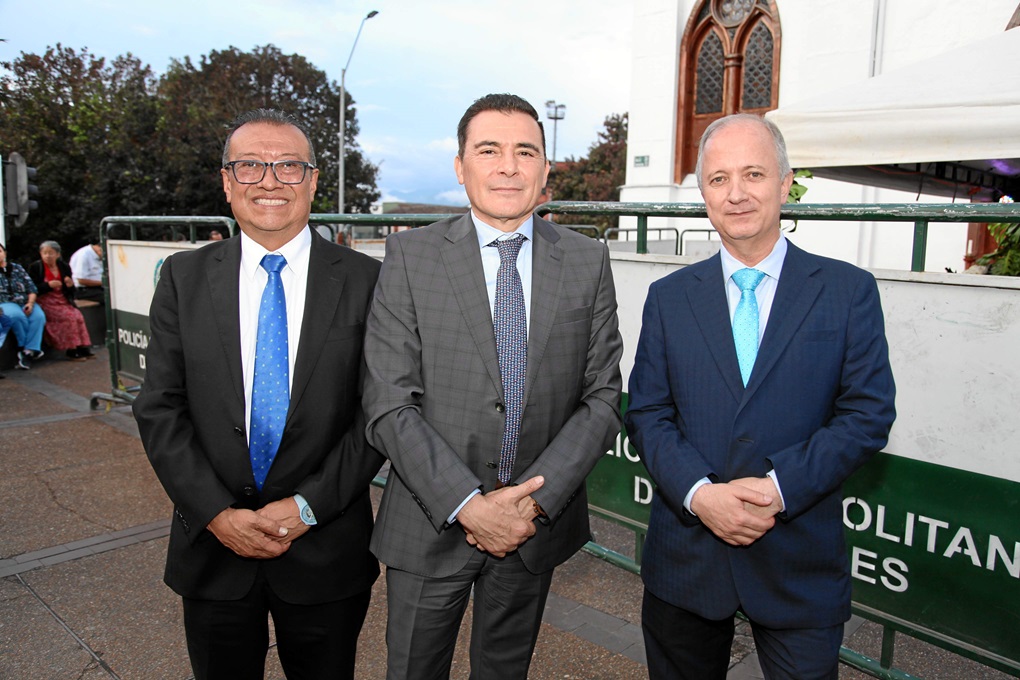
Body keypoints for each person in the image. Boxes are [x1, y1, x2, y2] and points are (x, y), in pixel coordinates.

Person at [625, 114, 897, 680]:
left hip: (799, 563)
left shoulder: (847, 292)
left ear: (784, 182)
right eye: (719, 179)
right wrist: (701, 495)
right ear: (703, 194)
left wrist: (779, 488)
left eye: (753, 173)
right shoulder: (669, 298)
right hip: (687, 560)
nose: (737, 193)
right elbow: (647, 412)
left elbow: (867, 414)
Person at [363, 93, 624, 679]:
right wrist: (469, 506)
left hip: (531, 528)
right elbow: (387, 401)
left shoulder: (586, 260)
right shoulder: (410, 255)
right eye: (489, 149)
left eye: (525, 151)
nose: (508, 165)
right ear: (461, 166)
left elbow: (603, 395)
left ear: (545, 170)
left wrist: (530, 502)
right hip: (430, 521)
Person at [132, 108, 384, 680]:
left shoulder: (369, 281)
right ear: (226, 181)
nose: (269, 181)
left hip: (326, 549)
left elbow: (376, 414)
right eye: (250, 166)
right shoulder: (182, 277)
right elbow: (159, 408)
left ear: (314, 180)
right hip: (212, 549)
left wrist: (305, 508)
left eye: (288, 166)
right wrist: (217, 514)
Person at [28, 240, 94, 361]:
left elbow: (71, 290)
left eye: (51, 253)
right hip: (45, 301)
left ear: (57, 254)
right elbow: (32, 288)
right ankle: (71, 349)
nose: (48, 256)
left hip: (62, 299)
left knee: (78, 316)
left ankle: (82, 346)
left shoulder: (63, 266)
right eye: (45, 253)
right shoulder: (36, 267)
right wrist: (48, 285)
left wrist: (69, 285)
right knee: (68, 317)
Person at [0, 242, 47, 370]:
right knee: (16, 316)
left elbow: (31, 288)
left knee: (38, 317)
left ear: (4, 253)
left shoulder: (17, 268)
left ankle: (28, 351)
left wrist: (30, 303)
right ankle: (26, 347)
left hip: (24, 300)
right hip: (5, 302)